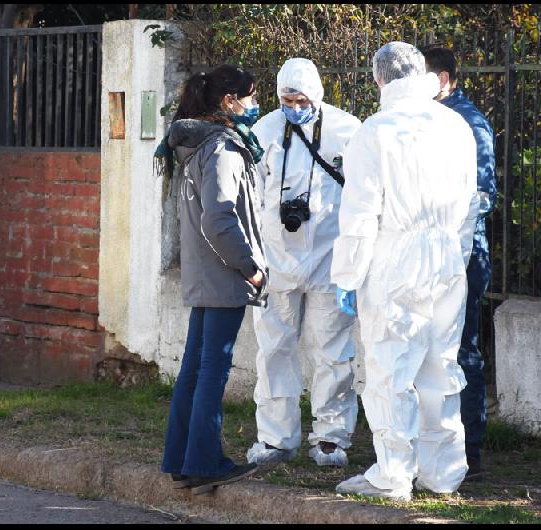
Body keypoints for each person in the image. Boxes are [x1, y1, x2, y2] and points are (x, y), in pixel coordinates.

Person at [331, 42, 479, 500]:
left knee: (390, 368)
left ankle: (393, 474)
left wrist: (348, 277)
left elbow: (359, 215)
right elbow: (471, 204)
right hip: (447, 259)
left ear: (380, 79)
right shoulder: (455, 124)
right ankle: (443, 472)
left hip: (394, 261)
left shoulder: (374, 132)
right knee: (440, 366)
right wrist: (458, 254)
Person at [157, 64, 268, 496]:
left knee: (194, 369)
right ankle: (204, 462)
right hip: (223, 274)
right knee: (211, 370)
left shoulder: (196, 145)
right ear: (229, 101)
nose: (255, 106)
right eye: (251, 97)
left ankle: (182, 460)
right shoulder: (221, 148)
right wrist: (250, 266)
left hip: (204, 273)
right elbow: (219, 219)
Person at [245, 58, 362, 467]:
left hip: (330, 262)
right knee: (274, 350)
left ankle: (331, 438)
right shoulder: (264, 131)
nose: (294, 106)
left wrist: (356, 261)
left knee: (332, 352)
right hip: (275, 261)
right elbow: (251, 194)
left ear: (317, 95)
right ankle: (276, 438)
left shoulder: (348, 131)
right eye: (286, 99)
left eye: (301, 99)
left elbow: (364, 198)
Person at [424, 46, 496, 481]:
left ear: (445, 79)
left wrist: (450, 240)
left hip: (463, 255)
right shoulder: (425, 119)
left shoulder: (469, 122)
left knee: (462, 348)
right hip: (429, 254)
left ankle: (470, 449)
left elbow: (482, 195)